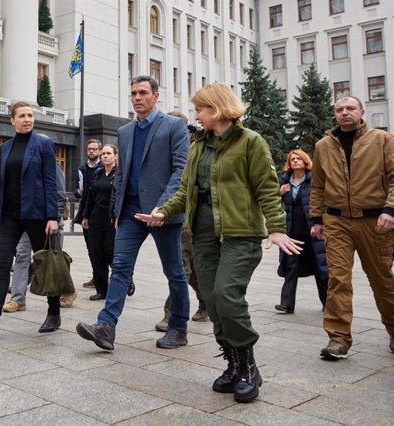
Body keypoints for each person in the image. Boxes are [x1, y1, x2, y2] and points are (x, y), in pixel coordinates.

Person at [135, 83, 302, 403]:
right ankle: (233, 364)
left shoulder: (251, 142)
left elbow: (267, 189)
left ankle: (248, 366)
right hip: (204, 236)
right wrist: (163, 210)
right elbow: (185, 191)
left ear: (219, 109)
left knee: (227, 296)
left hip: (240, 236)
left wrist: (276, 228)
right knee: (212, 301)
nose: (196, 115)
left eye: (201, 109)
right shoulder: (199, 146)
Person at [75, 75, 191, 352]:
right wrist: (117, 210)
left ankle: (178, 327)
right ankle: (106, 325)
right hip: (130, 213)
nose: (137, 98)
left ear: (155, 95)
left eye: (142, 93)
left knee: (174, 271)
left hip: (163, 213)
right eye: (133, 94)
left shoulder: (175, 127)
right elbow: (122, 174)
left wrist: (163, 207)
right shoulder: (125, 132)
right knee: (121, 268)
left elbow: (180, 171)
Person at [0, 101, 60, 341]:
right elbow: (1, 183)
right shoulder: (6, 147)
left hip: (37, 215)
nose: (28, 119)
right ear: (12, 120)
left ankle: (54, 313)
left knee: (46, 264)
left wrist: (53, 216)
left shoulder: (43, 145)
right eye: (22, 116)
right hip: (8, 216)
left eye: (30, 115)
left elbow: (50, 182)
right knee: (0, 267)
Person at [310, 95, 394, 360]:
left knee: (381, 279)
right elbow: (318, 186)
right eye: (339, 109)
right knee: (338, 279)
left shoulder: (382, 140)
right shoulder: (323, 146)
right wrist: (316, 219)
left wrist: (390, 209)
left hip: (375, 222)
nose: (344, 113)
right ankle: (338, 338)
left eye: (350, 108)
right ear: (334, 114)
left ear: (362, 111)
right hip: (337, 221)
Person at [156, 111, 207, 331]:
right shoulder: (164, 146)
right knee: (189, 266)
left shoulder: (196, 147)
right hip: (174, 211)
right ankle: (205, 302)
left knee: (182, 266)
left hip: (192, 214)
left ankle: (171, 314)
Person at [2, 162, 75, 312]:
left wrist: (55, 218)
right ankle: (17, 300)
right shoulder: (23, 165)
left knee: (54, 259)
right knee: (22, 255)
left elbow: (60, 194)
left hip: (49, 220)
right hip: (27, 219)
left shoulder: (52, 165)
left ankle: (69, 292)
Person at [275, 149, 328, 314]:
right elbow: (270, 200)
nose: (295, 161)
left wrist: (320, 223)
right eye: (292, 159)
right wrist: (280, 193)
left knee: (321, 268)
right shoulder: (284, 181)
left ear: (306, 161)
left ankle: (328, 303)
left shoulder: (314, 179)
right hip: (292, 233)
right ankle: (286, 304)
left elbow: (324, 202)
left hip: (313, 232)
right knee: (291, 267)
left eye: (299, 159)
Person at [82, 144, 118, 300]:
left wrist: (119, 217)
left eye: (108, 153)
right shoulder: (97, 173)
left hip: (111, 219)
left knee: (110, 251)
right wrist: (85, 216)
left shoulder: (120, 175)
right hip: (95, 217)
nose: (105, 156)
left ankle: (126, 278)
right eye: (103, 153)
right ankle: (101, 290)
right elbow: (90, 197)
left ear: (115, 156)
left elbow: (122, 198)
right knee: (96, 254)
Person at [73, 139, 102, 290]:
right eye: (89, 149)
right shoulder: (82, 168)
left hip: (100, 212)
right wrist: (78, 192)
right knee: (91, 248)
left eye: (94, 149)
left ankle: (105, 277)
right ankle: (96, 276)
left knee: (103, 248)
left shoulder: (104, 167)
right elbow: (76, 189)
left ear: (99, 151)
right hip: (86, 212)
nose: (91, 151)